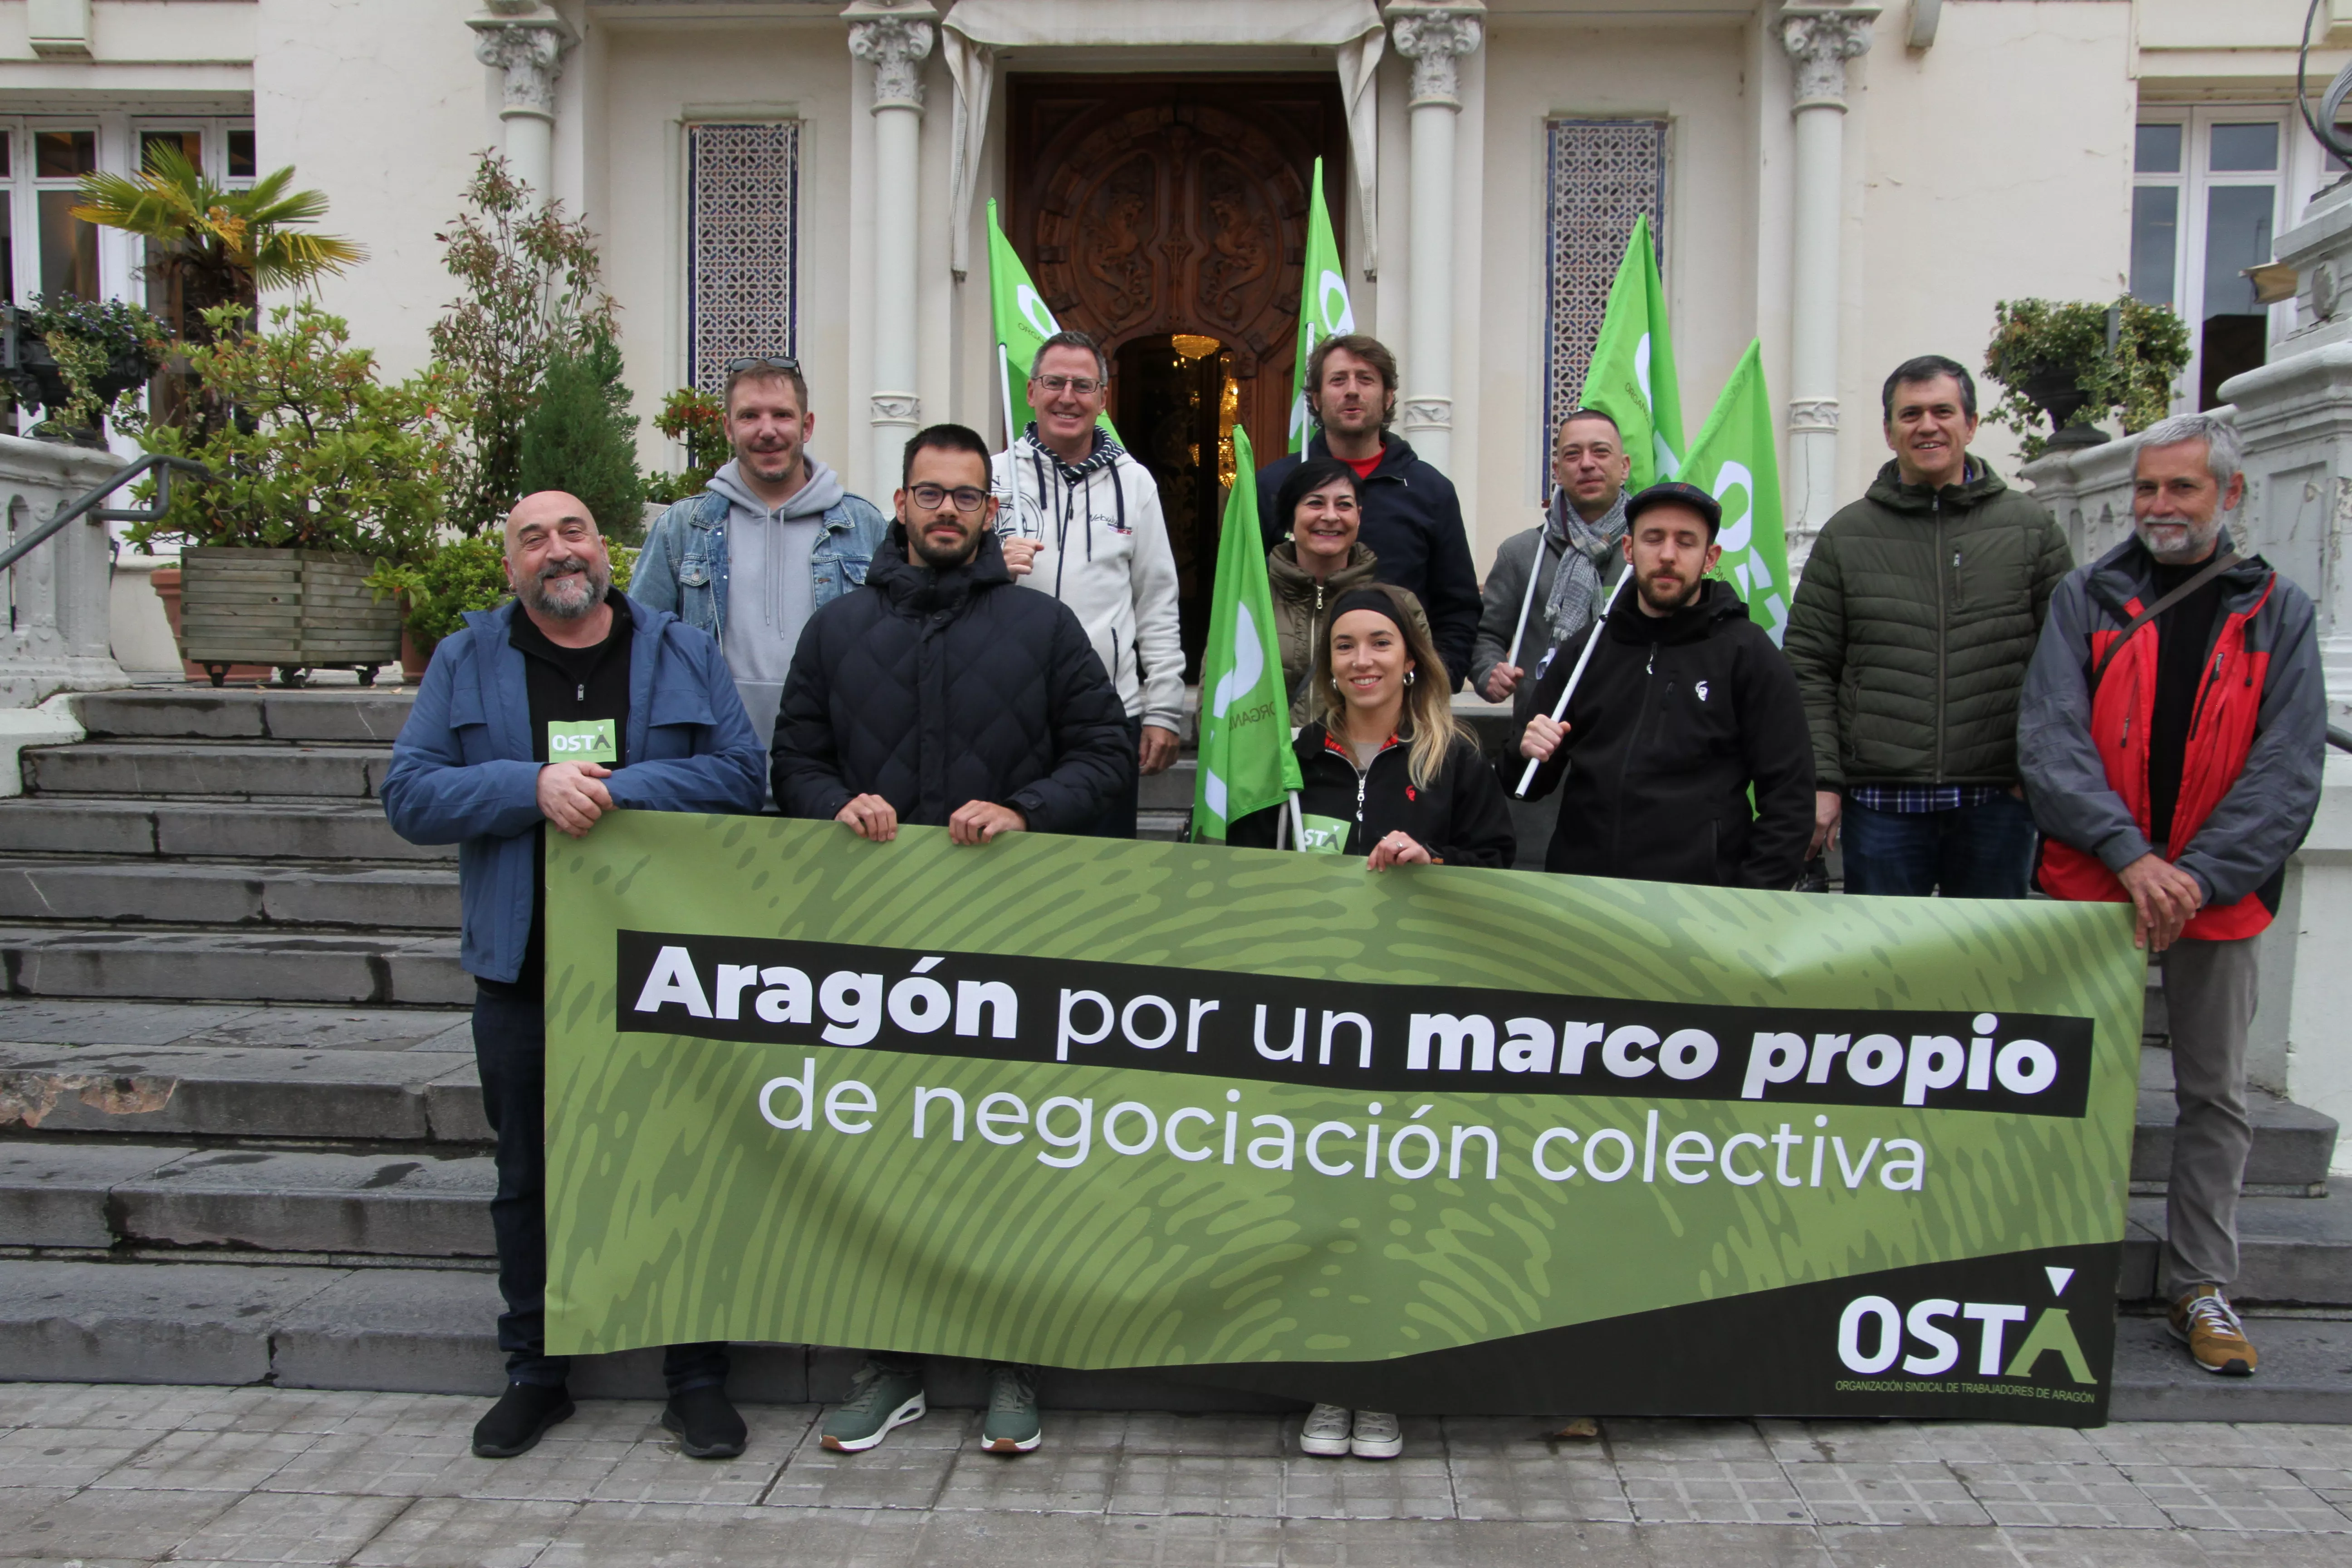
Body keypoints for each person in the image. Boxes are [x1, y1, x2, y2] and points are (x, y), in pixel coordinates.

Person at [382, 491, 766, 1461]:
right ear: (509, 564)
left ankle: (696, 1377)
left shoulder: (678, 649)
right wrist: (528, 786)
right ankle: (535, 1373)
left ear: (607, 549)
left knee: (681, 1162)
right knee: (527, 1178)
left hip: (662, 968)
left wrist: (613, 790)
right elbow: (411, 794)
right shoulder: (469, 659)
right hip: (526, 968)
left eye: (575, 533)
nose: (559, 552)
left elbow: (740, 775)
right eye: (534, 539)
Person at [771, 423, 1132, 1454]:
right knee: (881, 1157)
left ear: (989, 511)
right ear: (897, 501)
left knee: (1010, 1155)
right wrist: (834, 803)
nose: (945, 510)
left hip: (1009, 944)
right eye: (928, 492)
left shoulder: (1042, 626)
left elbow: (1106, 753)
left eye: (964, 496)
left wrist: (1024, 808)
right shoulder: (836, 631)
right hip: (875, 951)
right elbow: (792, 760)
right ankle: (892, 1361)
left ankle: (1011, 1357)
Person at [2019, 413, 2324, 1380]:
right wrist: (2129, 855)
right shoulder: (2088, 595)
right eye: (2148, 488)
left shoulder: (2281, 610)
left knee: (2216, 1098)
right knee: (2072, 1087)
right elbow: (2050, 739)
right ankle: (2060, 1269)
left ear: (2228, 496)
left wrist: (2193, 874)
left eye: (2181, 489)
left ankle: (2202, 1284)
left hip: (2216, 899)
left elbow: (2287, 769)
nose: (2159, 506)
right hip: (2094, 886)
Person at [1230, 581, 1513, 1457]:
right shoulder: (1288, 759)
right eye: (1344, 645)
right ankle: (1325, 1382)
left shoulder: (1453, 758)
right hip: (1311, 1025)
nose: (1361, 660)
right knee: (1315, 1205)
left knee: (1397, 1206)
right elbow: (1236, 874)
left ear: (1410, 659)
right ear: (1325, 663)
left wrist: (1432, 862)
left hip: (1413, 1024)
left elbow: (1498, 869)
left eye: (1379, 643)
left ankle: (1379, 1382)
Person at [1783, 354, 2073, 897]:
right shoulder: (1848, 535)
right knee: (1882, 971)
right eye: (1910, 414)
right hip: (1882, 807)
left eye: (1943, 411)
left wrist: (2035, 772)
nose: (1928, 426)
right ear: (1890, 432)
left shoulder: (2030, 528)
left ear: (1971, 424)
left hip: (1998, 802)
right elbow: (1809, 667)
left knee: (1987, 970)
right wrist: (1823, 781)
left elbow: (2066, 662)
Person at [1517, 481, 1813, 887]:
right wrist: (1527, 751)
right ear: (1629, 550)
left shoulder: (1747, 653)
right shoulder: (1587, 651)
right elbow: (1525, 785)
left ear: (1710, 558)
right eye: (1653, 539)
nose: (1668, 555)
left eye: (1686, 542)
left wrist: (1752, 902)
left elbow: (1790, 798)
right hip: (1585, 896)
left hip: (1700, 906)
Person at [633, 355, 890, 751]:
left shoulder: (864, 525)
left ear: (807, 426)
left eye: (782, 415)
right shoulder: (682, 529)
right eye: (750, 416)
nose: (767, 431)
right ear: (728, 428)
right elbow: (640, 649)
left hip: (833, 761)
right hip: (711, 758)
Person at [991, 330, 1185, 836]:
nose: (1068, 397)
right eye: (1054, 382)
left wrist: (1164, 708)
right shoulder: (992, 479)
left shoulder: (1136, 483)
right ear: (1031, 392)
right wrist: (990, 562)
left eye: (1083, 385)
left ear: (1103, 398)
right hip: (1003, 711)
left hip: (1106, 715)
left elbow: (1157, 599)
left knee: (1103, 878)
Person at [1255, 334, 1480, 689]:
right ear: (1315, 398)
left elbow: (1457, 606)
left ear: (1389, 396)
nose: (1352, 391)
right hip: (1287, 705)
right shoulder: (1274, 486)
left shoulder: (1430, 491)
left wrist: (1433, 683)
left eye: (1366, 379)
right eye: (1338, 379)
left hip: (1399, 704)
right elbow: (1243, 595)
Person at [1473, 408, 1632, 724]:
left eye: (1601, 452)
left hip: (1626, 732)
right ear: (1557, 471)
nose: (1587, 464)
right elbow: (1485, 636)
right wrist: (1488, 670)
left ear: (1624, 467)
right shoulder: (1521, 553)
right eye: (1573, 455)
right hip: (1541, 734)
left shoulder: (1646, 552)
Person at [1265, 459, 1432, 701]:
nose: (1331, 516)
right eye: (1315, 503)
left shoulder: (1400, 605)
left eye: (1344, 505)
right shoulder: (1249, 601)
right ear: (1290, 516)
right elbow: (1217, 697)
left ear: (1359, 516)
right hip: (1271, 740)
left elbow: (1427, 698)